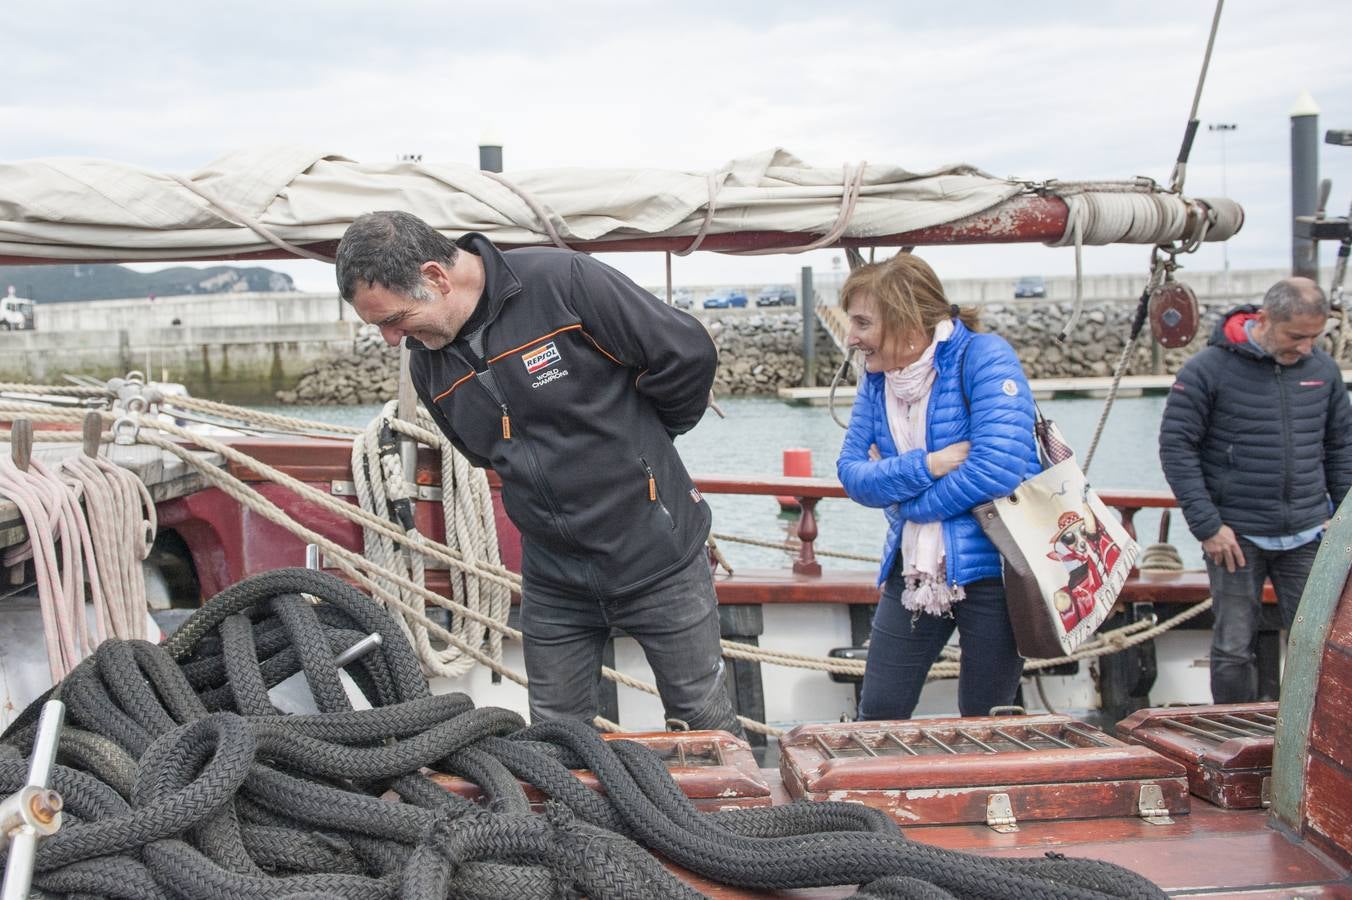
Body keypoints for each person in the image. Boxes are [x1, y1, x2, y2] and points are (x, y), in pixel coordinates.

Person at [335, 211, 743, 736]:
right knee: (554, 738)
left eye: (394, 319)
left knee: (705, 725)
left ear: (436, 278)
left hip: (658, 553)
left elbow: (686, 354)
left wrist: (644, 443)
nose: (393, 339)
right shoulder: (428, 363)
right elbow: (479, 451)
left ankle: (731, 819)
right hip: (555, 577)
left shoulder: (564, 284)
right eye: (381, 327)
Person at [836, 255, 1040, 719]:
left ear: (907, 324)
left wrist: (909, 502)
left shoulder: (984, 357)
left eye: (863, 323)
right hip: (913, 569)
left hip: (992, 569)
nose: (851, 337)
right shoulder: (875, 381)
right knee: (880, 711)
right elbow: (852, 475)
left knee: (987, 719)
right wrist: (931, 463)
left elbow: (997, 470)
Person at [1159, 277, 1352, 703]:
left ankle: (1309, 741)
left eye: (1315, 337)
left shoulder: (1321, 371)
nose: (1306, 347)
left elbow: (1341, 447)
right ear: (1265, 320)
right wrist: (1208, 526)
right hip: (1234, 536)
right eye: (1296, 336)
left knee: (1318, 644)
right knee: (1232, 647)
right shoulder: (1206, 370)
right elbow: (1177, 449)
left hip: (1306, 533)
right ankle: (1232, 737)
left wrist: (1341, 523)